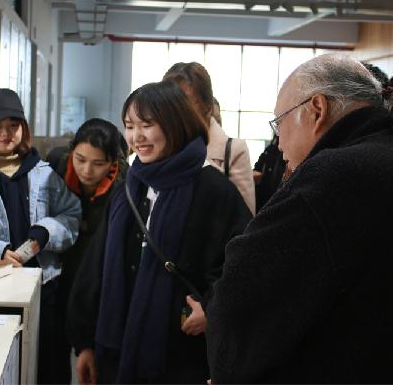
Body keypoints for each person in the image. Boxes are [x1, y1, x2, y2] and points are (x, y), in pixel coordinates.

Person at [206, 53, 393, 383]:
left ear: (317, 109)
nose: (279, 141)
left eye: (280, 122)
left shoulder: (333, 177)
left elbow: (243, 299)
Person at [67, 80, 251, 384]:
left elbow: (245, 266)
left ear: (176, 124)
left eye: (147, 125)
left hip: (181, 358)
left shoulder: (212, 190)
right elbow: (97, 267)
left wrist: (212, 307)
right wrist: (85, 343)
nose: (136, 137)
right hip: (117, 352)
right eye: (130, 126)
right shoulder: (130, 187)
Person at [0, 88, 81, 384]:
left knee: (47, 370)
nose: (6, 133)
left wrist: (46, 231)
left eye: (13, 125)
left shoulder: (45, 174)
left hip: (43, 291)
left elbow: (71, 216)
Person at [51, 118, 129, 383]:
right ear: (71, 151)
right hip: (59, 268)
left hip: (97, 273)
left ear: (112, 162)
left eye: (98, 163)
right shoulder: (57, 166)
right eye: (80, 159)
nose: (86, 170)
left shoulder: (124, 187)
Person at [164, 62, 256, 214]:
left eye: (185, 101)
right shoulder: (162, 147)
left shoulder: (233, 150)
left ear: (207, 105)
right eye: (170, 102)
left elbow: (245, 215)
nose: (177, 109)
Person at [252, 133, 286, 211]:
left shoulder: (284, 153)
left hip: (275, 197)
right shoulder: (270, 149)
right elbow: (257, 168)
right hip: (264, 196)